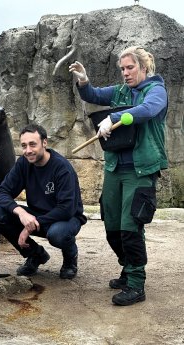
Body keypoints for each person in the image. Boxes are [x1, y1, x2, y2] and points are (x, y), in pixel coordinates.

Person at [69, 46, 168, 305]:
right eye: (122, 69)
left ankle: (136, 284)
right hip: (115, 167)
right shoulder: (121, 91)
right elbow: (93, 95)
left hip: (141, 169)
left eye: (130, 68)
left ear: (144, 68)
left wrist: (115, 116)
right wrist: (83, 80)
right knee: (112, 226)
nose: (125, 73)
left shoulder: (156, 91)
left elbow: (146, 110)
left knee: (131, 227)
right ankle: (127, 269)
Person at [0, 123, 87, 279]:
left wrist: (29, 227)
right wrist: (21, 212)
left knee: (57, 234)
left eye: (32, 144)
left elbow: (66, 209)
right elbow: (1, 192)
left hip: (66, 218)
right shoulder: (24, 163)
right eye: (24, 146)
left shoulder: (62, 168)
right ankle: (35, 255)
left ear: (44, 143)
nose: (28, 150)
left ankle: (70, 259)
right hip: (38, 215)